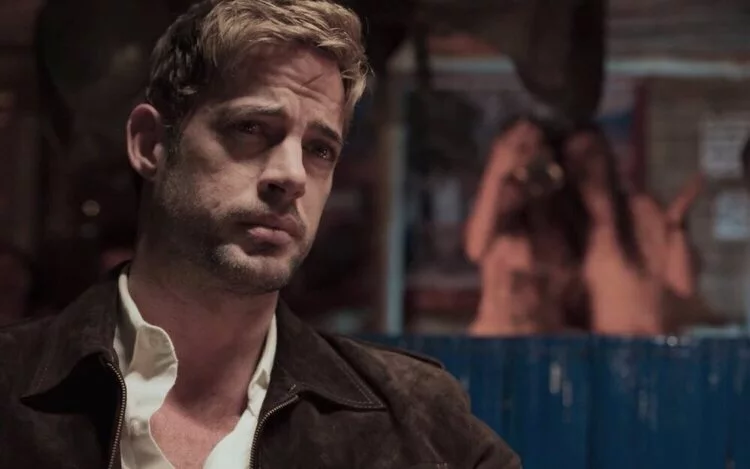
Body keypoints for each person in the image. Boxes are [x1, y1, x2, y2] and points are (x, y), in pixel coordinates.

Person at [0, 1, 520, 468]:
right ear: (151, 143)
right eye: (251, 128)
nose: (292, 175)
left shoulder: (419, 424)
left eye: (320, 149)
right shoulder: (12, 388)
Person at [562, 123, 703, 334]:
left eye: (591, 153)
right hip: (600, 346)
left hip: (647, 341)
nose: (584, 165)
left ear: (607, 157)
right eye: (574, 158)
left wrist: (676, 223)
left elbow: (681, 284)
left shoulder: (641, 212)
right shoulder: (566, 226)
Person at [465, 117, 582, 335]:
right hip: (496, 336)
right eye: (521, 147)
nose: (529, 155)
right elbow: (475, 248)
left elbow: (566, 281)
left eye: (537, 147)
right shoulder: (497, 215)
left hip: (542, 337)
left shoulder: (555, 224)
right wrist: (498, 173)